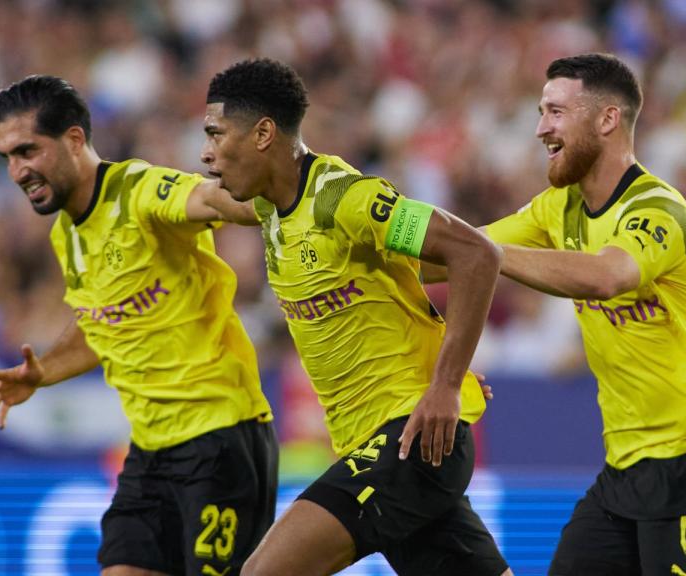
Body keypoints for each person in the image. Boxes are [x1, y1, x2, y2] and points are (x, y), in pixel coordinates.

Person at [200, 58, 512, 576]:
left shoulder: (345, 201)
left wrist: (446, 384)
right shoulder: (268, 209)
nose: (206, 154)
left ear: (262, 134)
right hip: (384, 447)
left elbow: (476, 253)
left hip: (410, 437)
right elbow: (194, 200)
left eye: (215, 134)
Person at [0, 75, 277, 576]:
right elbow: (103, 324)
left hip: (221, 440)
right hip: (148, 452)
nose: (17, 170)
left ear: (74, 140)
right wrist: (42, 372)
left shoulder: (139, 191)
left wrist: (273, 201)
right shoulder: (66, 235)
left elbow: (209, 199)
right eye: (6, 156)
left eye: (27, 150)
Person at [475, 53, 686, 574]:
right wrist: (372, 236)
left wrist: (485, 258)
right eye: (541, 112)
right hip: (624, 467)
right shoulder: (558, 209)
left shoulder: (660, 211)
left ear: (606, 120)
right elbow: (460, 249)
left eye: (555, 112)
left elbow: (608, 277)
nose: (540, 129)